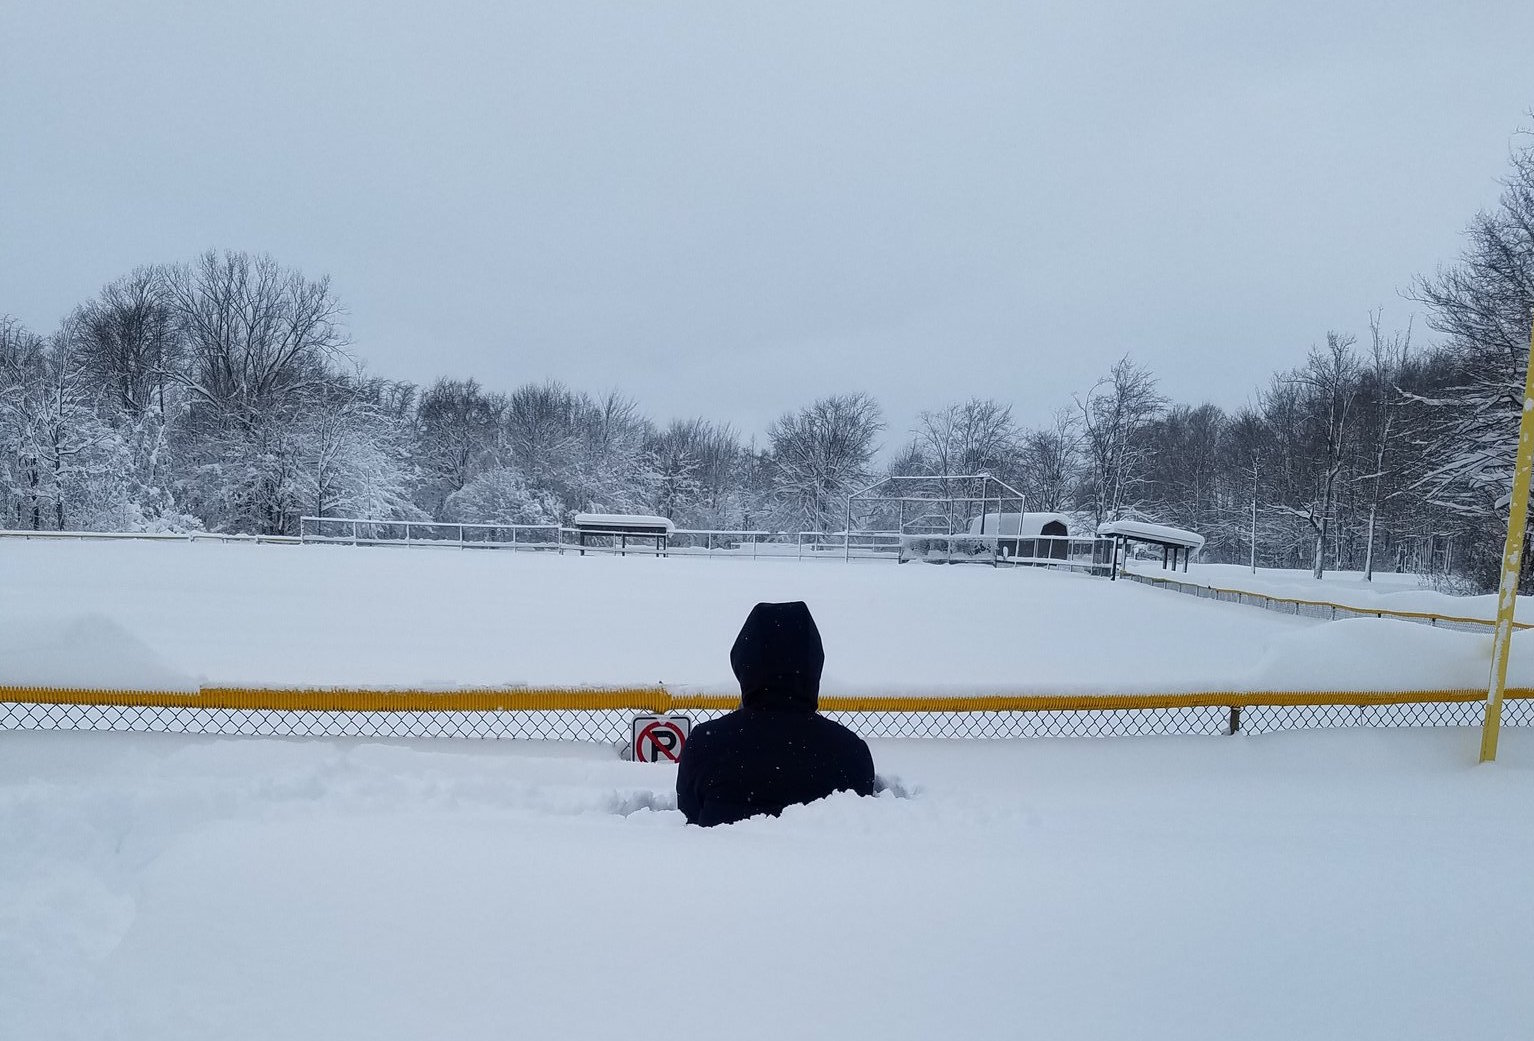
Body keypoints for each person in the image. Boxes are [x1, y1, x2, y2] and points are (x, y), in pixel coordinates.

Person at [676, 600, 875, 826]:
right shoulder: (850, 752)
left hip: (721, 860)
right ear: (813, 665)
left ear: (744, 663)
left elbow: (685, 824)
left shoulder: (705, 746)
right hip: (825, 861)